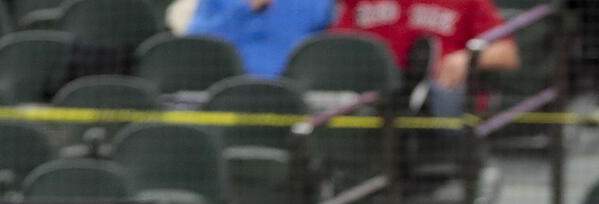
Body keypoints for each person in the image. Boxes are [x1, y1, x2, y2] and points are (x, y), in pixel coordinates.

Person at [333, 0, 519, 116]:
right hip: (377, 90)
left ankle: (458, 162)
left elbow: (508, 54)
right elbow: (334, 45)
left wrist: (467, 58)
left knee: (446, 91)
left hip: (437, 90)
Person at [186, 0, 336, 79]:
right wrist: (245, 8)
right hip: (229, 85)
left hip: (292, 87)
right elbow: (197, 41)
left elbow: (333, 40)